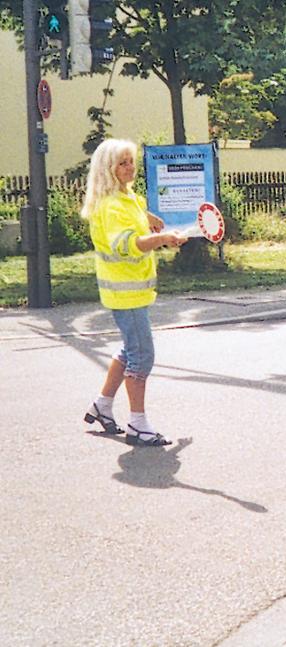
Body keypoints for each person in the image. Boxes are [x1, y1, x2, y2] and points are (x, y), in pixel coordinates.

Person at [81, 139, 188, 445]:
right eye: (123, 163)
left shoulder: (128, 200)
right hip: (125, 294)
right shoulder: (114, 206)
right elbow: (127, 245)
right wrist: (162, 238)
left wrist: (150, 220)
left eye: (131, 161)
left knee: (130, 351)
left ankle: (102, 405)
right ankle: (138, 425)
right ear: (108, 169)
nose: (130, 168)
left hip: (131, 293)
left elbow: (138, 216)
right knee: (142, 356)